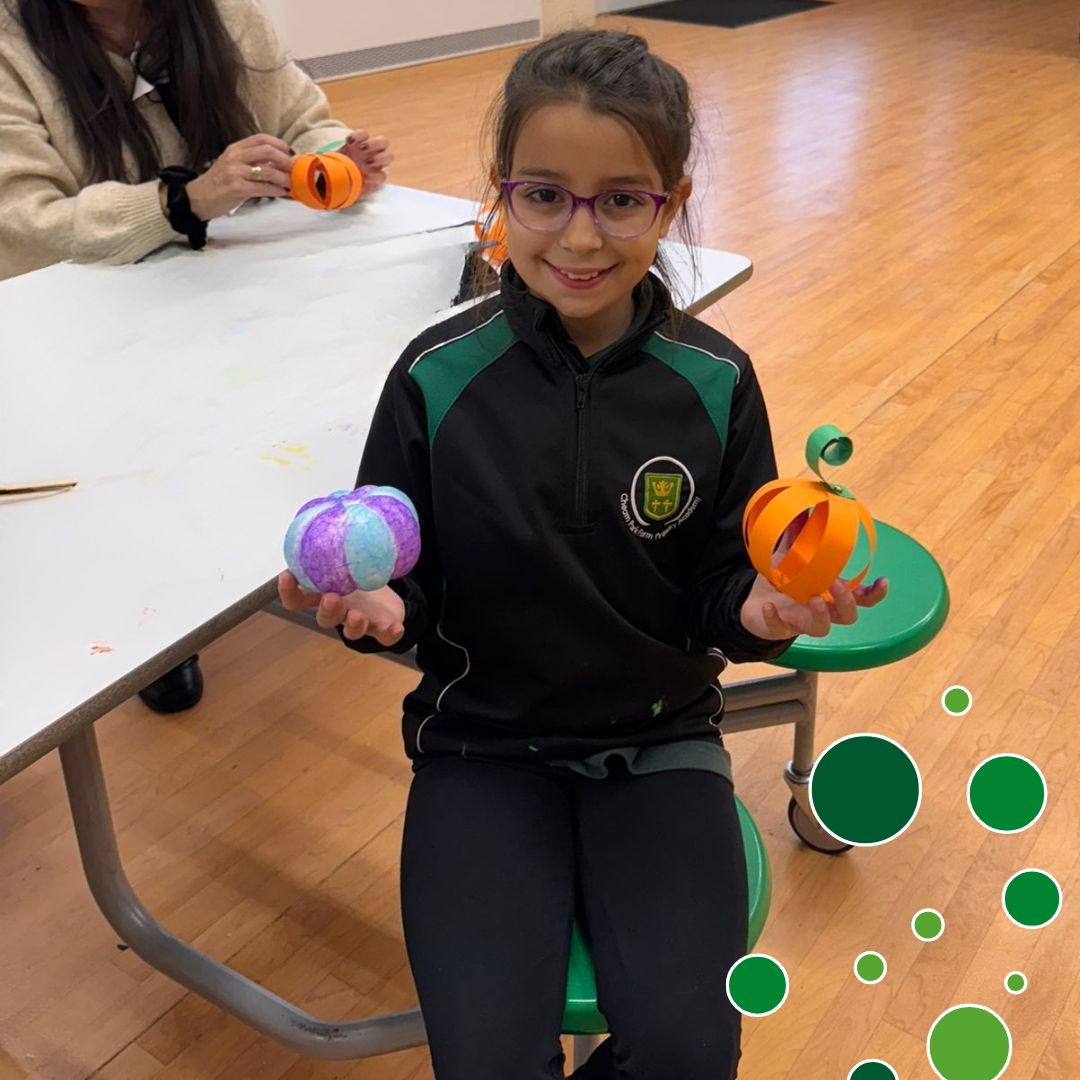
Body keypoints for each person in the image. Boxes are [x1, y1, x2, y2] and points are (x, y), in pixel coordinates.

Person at [279, 29, 888, 1079]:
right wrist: (387, 614)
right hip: (480, 752)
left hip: (662, 748)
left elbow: (716, 585)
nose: (581, 234)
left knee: (691, 1055)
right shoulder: (434, 377)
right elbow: (406, 582)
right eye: (546, 194)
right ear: (500, 195)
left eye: (622, 199)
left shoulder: (717, 383)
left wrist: (760, 611)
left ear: (672, 199)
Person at [1, 0, 392, 711]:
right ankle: (161, 620)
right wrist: (181, 202)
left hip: (236, 292)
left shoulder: (224, 15)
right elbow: (26, 226)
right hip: (93, 322)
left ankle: (304, 537)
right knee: (134, 467)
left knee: (289, 419)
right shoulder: (11, 41)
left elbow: (303, 117)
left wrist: (337, 162)